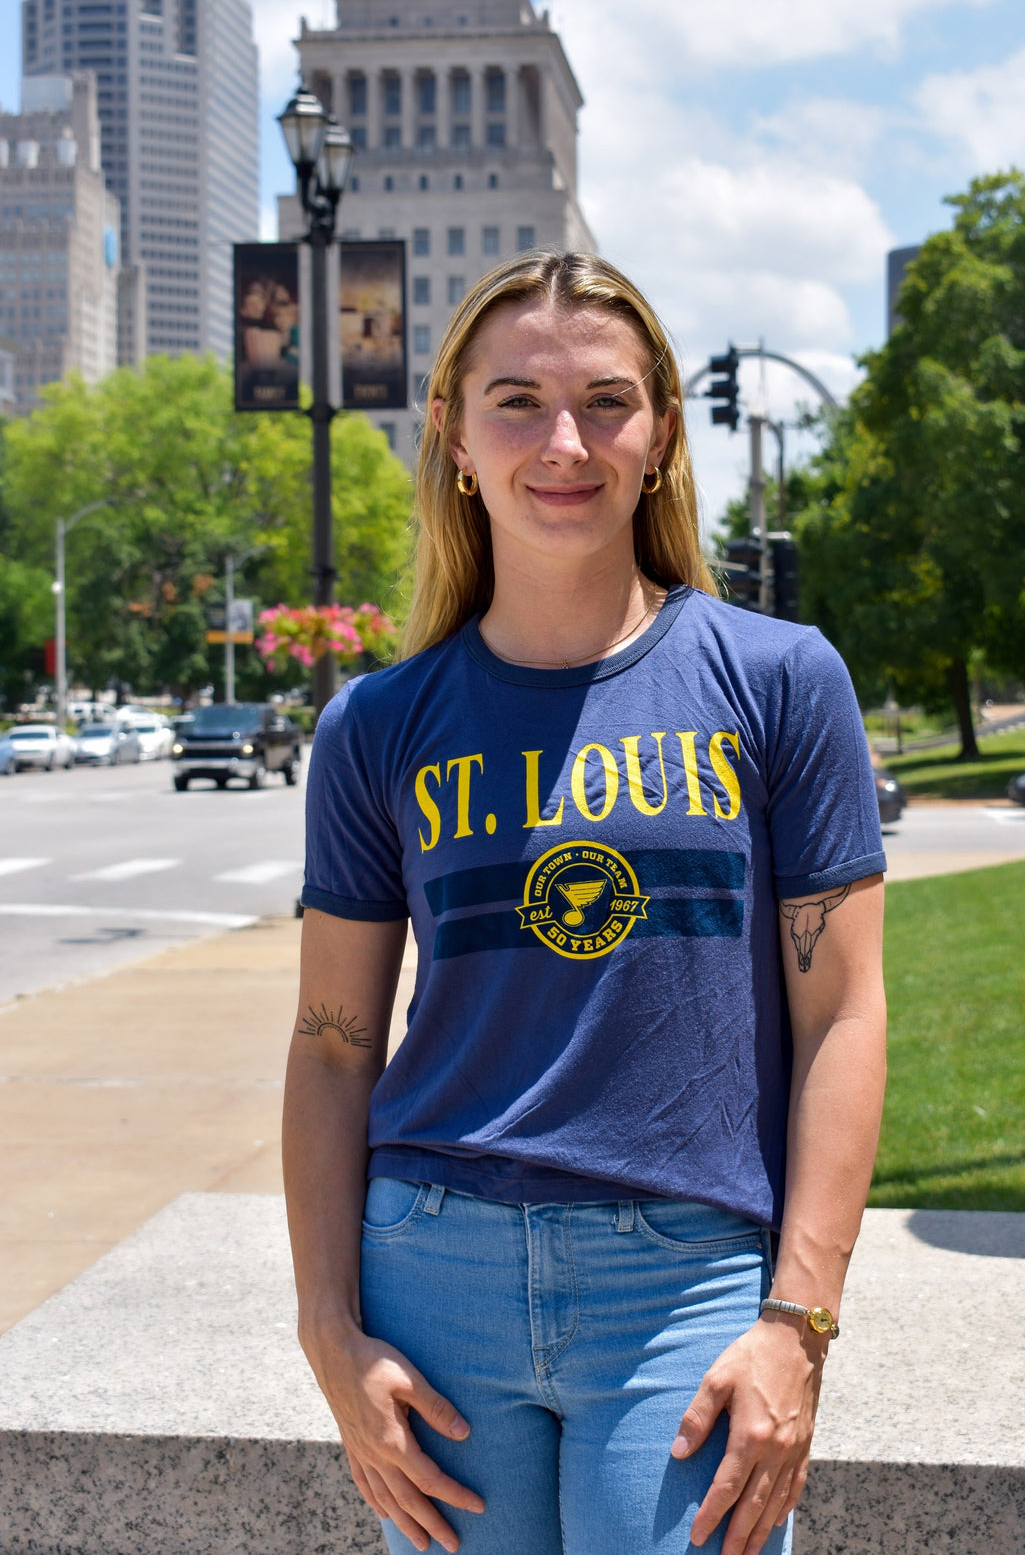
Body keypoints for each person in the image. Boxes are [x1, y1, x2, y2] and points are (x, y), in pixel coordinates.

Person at [283, 251, 887, 1555]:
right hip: (430, 1278)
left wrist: (800, 1323)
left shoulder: (781, 682)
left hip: (686, 1281)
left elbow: (844, 1012)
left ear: (663, 432)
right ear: (452, 434)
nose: (564, 441)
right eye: (516, 401)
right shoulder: (377, 727)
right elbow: (333, 1042)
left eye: (607, 402)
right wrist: (328, 1332)